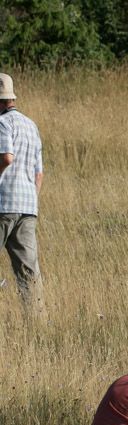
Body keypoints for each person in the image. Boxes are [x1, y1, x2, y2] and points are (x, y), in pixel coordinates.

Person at [0, 72, 45, 315]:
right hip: (28, 207)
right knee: (29, 273)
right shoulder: (31, 125)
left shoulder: (1, 123)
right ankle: (37, 324)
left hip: (2, 203)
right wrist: (31, 199)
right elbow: (39, 173)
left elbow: (7, 157)